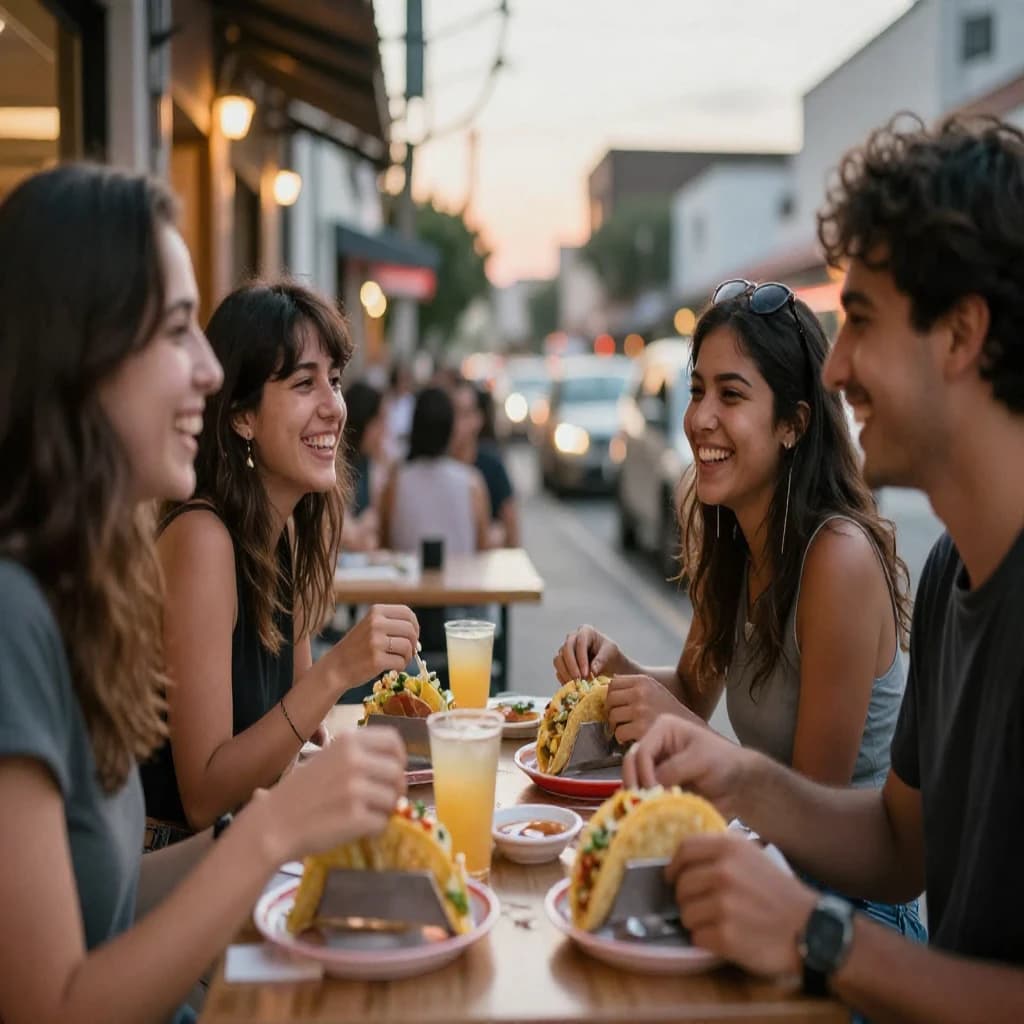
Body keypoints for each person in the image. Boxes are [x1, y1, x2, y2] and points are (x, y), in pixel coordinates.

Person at [623, 115, 1024, 1021]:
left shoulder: (847, 557)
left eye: (863, 322)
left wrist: (815, 932)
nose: (837, 367)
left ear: (960, 334)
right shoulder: (956, 565)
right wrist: (731, 775)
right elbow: (897, 843)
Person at [0, 164, 407, 1024]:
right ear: (84, 351)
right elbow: (53, 1002)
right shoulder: (19, 614)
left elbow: (106, 909)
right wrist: (272, 828)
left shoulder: (73, 589)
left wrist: (289, 827)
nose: (206, 371)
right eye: (178, 331)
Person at [556, 277, 922, 937]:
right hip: (765, 872)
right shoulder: (735, 536)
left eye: (731, 394)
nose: (700, 418)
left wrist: (684, 732)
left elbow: (818, 813)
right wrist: (617, 672)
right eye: (697, 390)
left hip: (852, 917)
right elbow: (692, 694)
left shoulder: (836, 559)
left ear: (793, 423)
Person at [142, 281, 419, 840]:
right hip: (178, 867)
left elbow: (295, 733)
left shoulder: (284, 528)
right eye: (302, 383)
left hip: (250, 841)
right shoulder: (202, 538)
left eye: (334, 381)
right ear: (242, 417)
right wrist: (339, 670)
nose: (332, 407)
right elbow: (203, 796)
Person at [380, 385, 490, 555]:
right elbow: (483, 550)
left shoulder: (395, 483)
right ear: (450, 428)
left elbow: (385, 545)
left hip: (409, 580)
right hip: (462, 580)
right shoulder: (472, 483)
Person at [450, 378, 521, 547]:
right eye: (453, 414)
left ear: (478, 419)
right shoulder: (436, 466)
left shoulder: (492, 465)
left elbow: (511, 523)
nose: (458, 424)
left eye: (465, 414)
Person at [340, 379, 388, 552]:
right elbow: (345, 533)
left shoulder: (373, 465)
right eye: (380, 421)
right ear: (364, 422)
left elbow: (375, 533)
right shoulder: (335, 465)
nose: (384, 430)